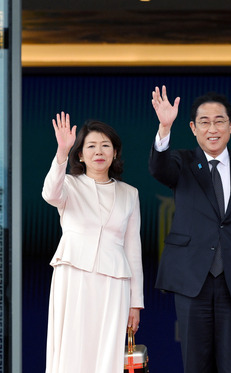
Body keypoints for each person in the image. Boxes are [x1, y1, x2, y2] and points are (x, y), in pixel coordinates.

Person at [148, 86, 231, 373]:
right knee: (195, 364)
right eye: (204, 122)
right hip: (192, 279)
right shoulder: (181, 162)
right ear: (193, 128)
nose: (212, 129)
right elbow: (160, 169)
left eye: (219, 121)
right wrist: (164, 127)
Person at [42, 113, 143, 373]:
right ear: (80, 155)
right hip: (73, 276)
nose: (99, 151)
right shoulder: (68, 185)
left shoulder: (130, 194)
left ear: (115, 153)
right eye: (91, 146)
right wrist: (61, 152)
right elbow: (49, 194)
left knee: (107, 350)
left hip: (114, 282)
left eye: (105, 146)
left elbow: (133, 250)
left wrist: (136, 302)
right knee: (71, 347)